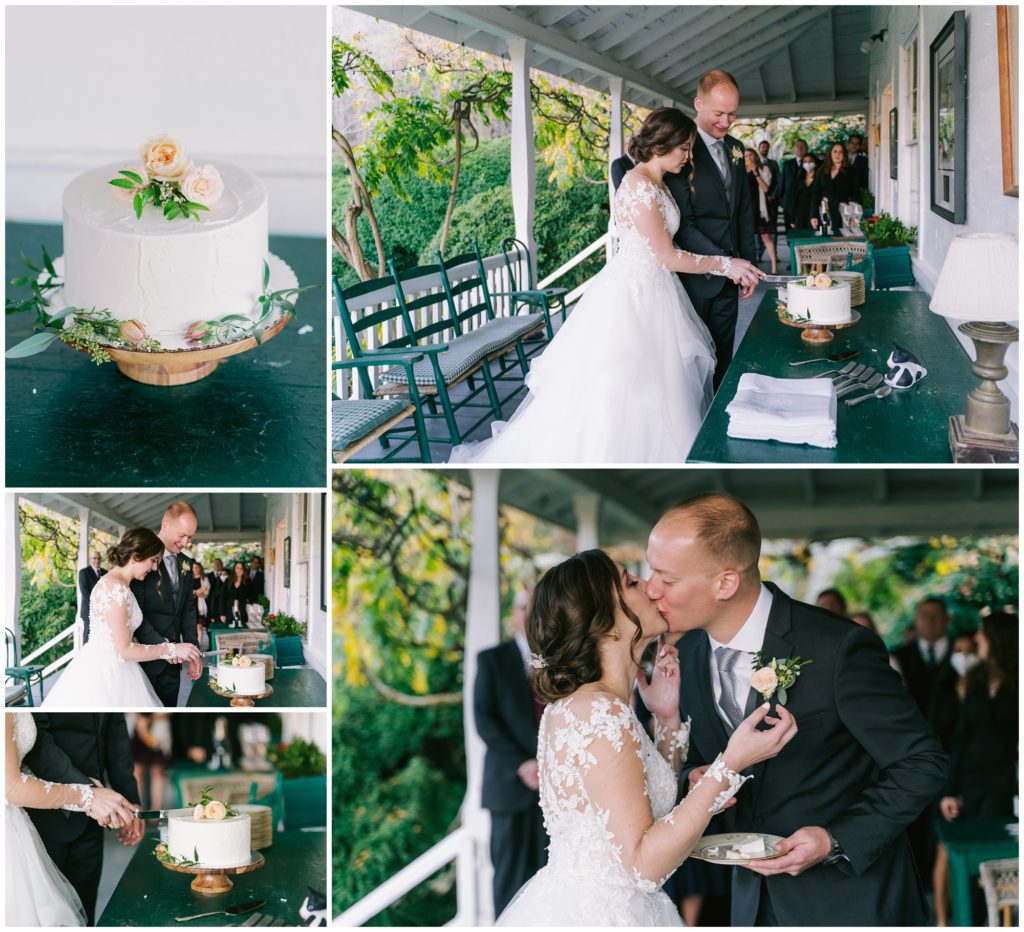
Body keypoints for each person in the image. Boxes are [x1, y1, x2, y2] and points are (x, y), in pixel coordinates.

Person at [646, 493, 948, 926]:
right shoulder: (684, 654)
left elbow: (922, 763)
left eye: (667, 578)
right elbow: (690, 764)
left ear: (725, 583)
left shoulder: (837, 647)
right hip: (751, 905)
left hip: (853, 903)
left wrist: (834, 840)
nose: (651, 589)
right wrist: (694, 776)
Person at [496, 550, 796, 926]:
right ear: (606, 622)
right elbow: (644, 866)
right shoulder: (600, 713)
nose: (651, 588)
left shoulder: (588, 706)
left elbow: (643, 813)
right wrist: (730, 763)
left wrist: (666, 719)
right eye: (631, 583)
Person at [449, 106, 761, 465]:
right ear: (662, 144)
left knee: (664, 387)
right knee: (626, 387)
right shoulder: (638, 185)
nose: (689, 158)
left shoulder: (658, 181)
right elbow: (666, 255)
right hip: (635, 297)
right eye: (684, 149)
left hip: (659, 293)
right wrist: (726, 265)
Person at [42, 529, 200, 708]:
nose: (155, 568)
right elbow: (123, 650)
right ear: (136, 557)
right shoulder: (116, 589)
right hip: (107, 677)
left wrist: (162, 645)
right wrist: (170, 649)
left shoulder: (119, 584)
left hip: (119, 669)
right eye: (153, 561)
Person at [16, 712, 142, 926]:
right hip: (44, 818)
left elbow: (115, 732)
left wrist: (128, 800)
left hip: (95, 820)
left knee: (85, 916)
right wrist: (88, 794)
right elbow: (39, 742)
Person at [474, 588, 549, 915]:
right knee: (508, 879)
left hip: (552, 791)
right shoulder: (491, 659)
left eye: (536, 608)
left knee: (548, 880)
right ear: (514, 615)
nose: (529, 614)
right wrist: (524, 763)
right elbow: (484, 720)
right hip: (508, 787)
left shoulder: (556, 661)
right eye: (523, 607)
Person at [131, 501, 204, 706]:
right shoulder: (141, 558)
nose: (186, 542)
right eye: (182, 535)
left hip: (174, 663)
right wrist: (165, 647)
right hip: (145, 659)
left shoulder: (187, 564)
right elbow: (135, 612)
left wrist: (193, 653)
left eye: (190, 537)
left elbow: (188, 610)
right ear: (165, 525)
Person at [891, 596, 953, 713]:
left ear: (947, 618)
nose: (930, 620)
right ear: (915, 620)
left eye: (936, 614)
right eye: (924, 615)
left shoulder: (960, 651)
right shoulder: (899, 656)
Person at [811, 142, 858, 234]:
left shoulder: (851, 171)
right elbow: (815, 194)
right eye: (835, 151)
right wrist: (813, 215)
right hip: (824, 211)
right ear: (830, 154)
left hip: (844, 213)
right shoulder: (822, 170)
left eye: (841, 152)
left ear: (844, 154)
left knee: (842, 241)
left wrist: (854, 217)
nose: (837, 154)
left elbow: (855, 194)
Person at [744, 149, 778, 274]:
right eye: (745, 155)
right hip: (746, 207)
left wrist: (755, 171)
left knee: (766, 237)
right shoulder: (739, 170)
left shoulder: (764, 169)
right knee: (746, 239)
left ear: (755, 156)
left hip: (760, 207)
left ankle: (774, 266)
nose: (748, 157)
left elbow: (766, 189)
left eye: (750, 155)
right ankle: (748, 269)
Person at [754, 140, 779, 266]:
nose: (764, 148)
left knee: (769, 232)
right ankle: (758, 253)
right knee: (757, 234)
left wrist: (772, 196)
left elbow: (778, 182)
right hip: (754, 204)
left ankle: (774, 256)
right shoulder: (747, 166)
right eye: (762, 146)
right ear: (759, 148)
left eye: (766, 147)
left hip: (768, 203)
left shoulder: (772, 164)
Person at [779, 138, 808, 229]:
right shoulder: (787, 164)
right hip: (789, 205)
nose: (799, 148)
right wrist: (783, 202)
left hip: (805, 205)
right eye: (797, 146)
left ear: (806, 148)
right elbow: (782, 184)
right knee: (790, 233)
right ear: (794, 149)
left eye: (802, 147)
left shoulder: (811, 163)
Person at [77, 551, 106, 643]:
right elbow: (85, 593)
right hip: (89, 611)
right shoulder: (84, 572)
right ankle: (86, 656)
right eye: (94, 558)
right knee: (88, 638)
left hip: (104, 612)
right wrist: (98, 606)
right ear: (90, 559)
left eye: (98, 558)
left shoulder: (106, 573)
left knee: (101, 638)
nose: (97, 560)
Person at [791, 154, 819, 230]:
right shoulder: (799, 177)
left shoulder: (820, 177)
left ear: (815, 162)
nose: (808, 164)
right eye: (805, 161)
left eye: (810, 161)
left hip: (815, 212)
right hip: (800, 212)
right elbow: (795, 198)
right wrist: (793, 219)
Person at [224, 561, 251, 627]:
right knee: (230, 634)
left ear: (244, 570)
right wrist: (222, 614)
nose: (239, 570)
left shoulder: (248, 581)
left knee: (242, 633)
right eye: (237, 568)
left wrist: (247, 601)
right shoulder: (228, 580)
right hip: (229, 611)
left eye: (241, 568)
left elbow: (252, 595)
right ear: (234, 569)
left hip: (242, 611)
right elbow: (222, 597)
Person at [193, 561, 210, 649]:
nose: (195, 569)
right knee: (191, 628)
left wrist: (194, 592)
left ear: (200, 569)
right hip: (190, 606)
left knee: (199, 627)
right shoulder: (188, 579)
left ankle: (197, 647)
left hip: (200, 606)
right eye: (193, 567)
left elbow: (205, 594)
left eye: (197, 567)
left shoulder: (204, 579)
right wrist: (197, 592)